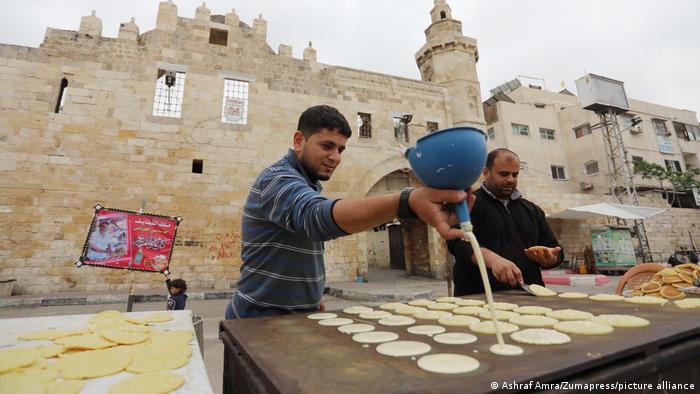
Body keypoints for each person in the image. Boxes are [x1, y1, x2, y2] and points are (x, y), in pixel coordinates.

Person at [226, 104, 473, 319]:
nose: (335, 157)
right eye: (327, 146)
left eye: (341, 150)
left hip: (296, 316)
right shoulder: (277, 179)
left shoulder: (306, 185)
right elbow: (315, 218)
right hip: (258, 321)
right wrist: (407, 201)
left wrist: (310, 299)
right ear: (299, 140)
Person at [447, 148, 563, 296]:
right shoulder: (467, 204)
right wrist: (492, 259)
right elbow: (457, 242)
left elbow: (554, 247)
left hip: (529, 296)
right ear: (486, 173)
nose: (510, 179)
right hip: (479, 297)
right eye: (504, 174)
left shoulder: (532, 210)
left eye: (515, 175)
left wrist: (551, 259)